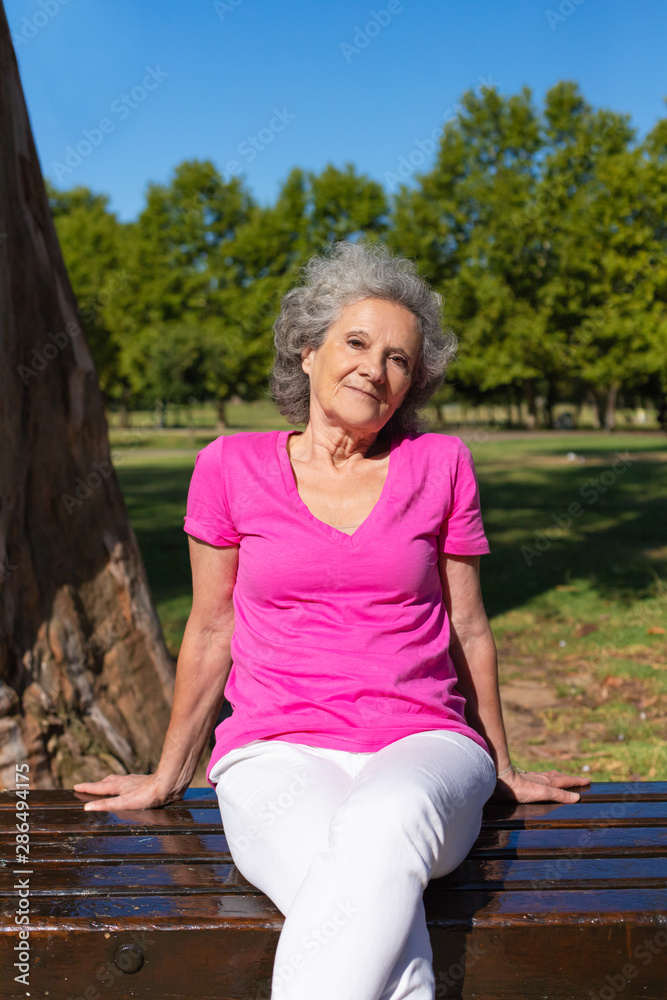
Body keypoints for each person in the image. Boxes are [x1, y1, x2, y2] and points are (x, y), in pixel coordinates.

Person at [74, 240, 591, 1000]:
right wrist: (169, 772)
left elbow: (469, 627)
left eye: (398, 360)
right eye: (356, 343)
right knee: (363, 888)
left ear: (411, 385)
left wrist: (501, 763)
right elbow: (211, 630)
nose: (374, 369)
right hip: (273, 755)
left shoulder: (440, 463)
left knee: (385, 824)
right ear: (307, 350)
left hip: (426, 746)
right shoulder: (229, 466)